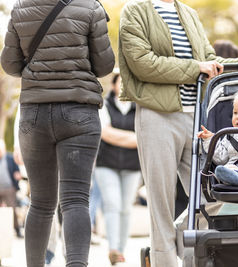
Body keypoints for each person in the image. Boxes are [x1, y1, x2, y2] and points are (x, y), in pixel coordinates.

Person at [118, 1, 238, 266]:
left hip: (195, 118)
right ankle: (164, 259)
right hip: (156, 115)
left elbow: (210, 61)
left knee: (212, 192)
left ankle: (177, 238)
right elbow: (142, 63)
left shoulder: (188, 13)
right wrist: (193, 68)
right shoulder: (136, 10)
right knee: (161, 203)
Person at [1, 0, 115, 265]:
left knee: (40, 202)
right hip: (79, 111)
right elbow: (105, 65)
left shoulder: (20, 8)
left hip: (34, 113)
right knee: (76, 199)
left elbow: (10, 65)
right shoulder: (91, 8)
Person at [94, 72, 142, 265]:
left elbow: (144, 135)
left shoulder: (140, 106)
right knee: (112, 204)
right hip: (106, 164)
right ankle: (113, 249)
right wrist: (134, 139)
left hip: (132, 165)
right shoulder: (103, 105)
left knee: (125, 208)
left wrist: (119, 137)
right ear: (113, 85)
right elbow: (105, 133)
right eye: (120, 82)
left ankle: (121, 250)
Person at [0, 139, 23, 238]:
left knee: (13, 210)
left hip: (9, 189)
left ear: (4, 149)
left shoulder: (9, 158)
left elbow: (17, 172)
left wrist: (17, 177)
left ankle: (17, 230)